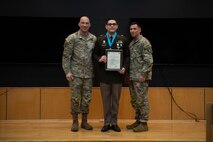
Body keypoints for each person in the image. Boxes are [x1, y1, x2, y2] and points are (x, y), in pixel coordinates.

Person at [93, 18, 130, 132]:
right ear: (106, 26)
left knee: (115, 101)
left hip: (117, 76)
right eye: (110, 24)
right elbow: (94, 54)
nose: (112, 26)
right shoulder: (100, 39)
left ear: (117, 26)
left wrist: (124, 67)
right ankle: (106, 123)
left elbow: (127, 56)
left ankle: (114, 123)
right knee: (105, 101)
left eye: (114, 24)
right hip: (104, 76)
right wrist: (100, 58)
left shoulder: (123, 39)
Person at [62, 16, 97, 132]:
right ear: (79, 24)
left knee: (87, 98)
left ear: (90, 25)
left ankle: (84, 122)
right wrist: (67, 72)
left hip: (88, 74)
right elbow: (66, 57)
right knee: (75, 98)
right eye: (83, 23)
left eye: (87, 23)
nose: (85, 25)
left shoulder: (93, 39)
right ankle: (75, 121)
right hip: (75, 74)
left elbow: (94, 56)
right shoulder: (72, 38)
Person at [126, 22, 153, 132]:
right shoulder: (132, 43)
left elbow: (149, 61)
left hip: (141, 77)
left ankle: (144, 123)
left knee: (142, 100)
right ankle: (138, 120)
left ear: (139, 30)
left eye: (134, 29)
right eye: (131, 29)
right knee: (135, 100)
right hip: (133, 77)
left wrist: (144, 74)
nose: (132, 30)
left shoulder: (144, 42)